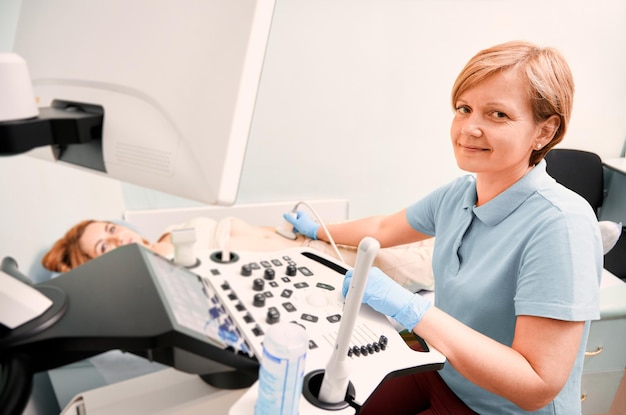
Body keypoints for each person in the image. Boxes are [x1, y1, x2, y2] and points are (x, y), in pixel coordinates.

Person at [284, 40, 602, 414]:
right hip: (440, 369)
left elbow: (535, 386)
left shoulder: (562, 226)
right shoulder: (459, 195)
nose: (470, 128)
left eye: (497, 114)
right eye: (464, 108)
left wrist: (413, 311)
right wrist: (317, 230)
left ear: (544, 132)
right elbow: (385, 227)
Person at [41, 216, 435, 292]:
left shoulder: (171, 233)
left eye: (111, 228)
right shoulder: (165, 268)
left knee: (436, 234)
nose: (120, 236)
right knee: (441, 261)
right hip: (337, 269)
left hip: (328, 241)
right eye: (105, 246)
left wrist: (309, 229)